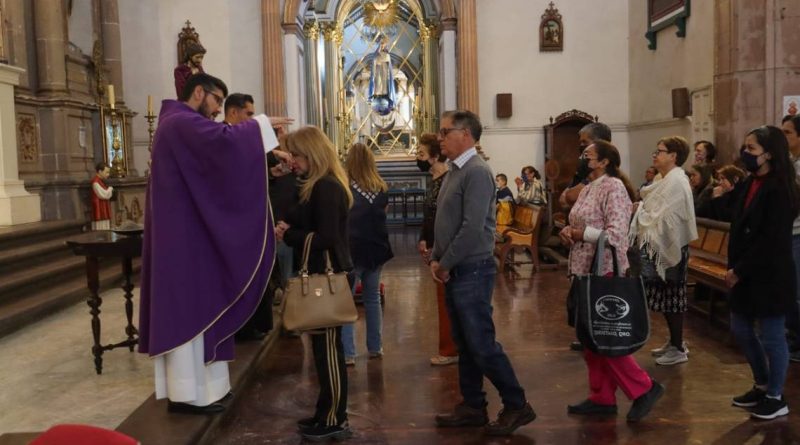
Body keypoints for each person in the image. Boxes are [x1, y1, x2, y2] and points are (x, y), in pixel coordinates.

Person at [138, 73, 281, 415]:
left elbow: (218, 158)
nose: (218, 109)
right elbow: (223, 142)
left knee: (202, 306)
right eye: (217, 100)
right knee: (190, 309)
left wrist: (257, 130)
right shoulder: (178, 123)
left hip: (189, 236)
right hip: (182, 244)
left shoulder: (179, 124)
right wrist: (260, 126)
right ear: (198, 92)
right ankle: (187, 394)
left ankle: (208, 389)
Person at [431, 110, 535, 436]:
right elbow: (447, 221)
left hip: (472, 269)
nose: (440, 137)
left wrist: (445, 262)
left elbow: (472, 228)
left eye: (445, 131)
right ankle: (474, 406)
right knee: (465, 341)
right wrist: (437, 256)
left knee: (481, 343)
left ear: (465, 134)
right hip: (458, 268)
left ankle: (517, 404)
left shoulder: (476, 171)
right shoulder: (455, 171)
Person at [559, 140, 665, 422]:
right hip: (583, 269)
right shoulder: (588, 187)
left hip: (604, 270)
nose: (583, 159)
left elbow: (616, 235)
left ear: (605, 161)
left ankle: (645, 388)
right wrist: (569, 232)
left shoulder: (613, 187)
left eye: (588, 156)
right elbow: (582, 223)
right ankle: (602, 396)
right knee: (590, 337)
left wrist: (582, 235)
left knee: (606, 337)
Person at [275, 126, 354, 441]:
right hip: (321, 274)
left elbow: (327, 237)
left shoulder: (327, 187)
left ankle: (335, 417)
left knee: (330, 352)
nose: (292, 159)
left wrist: (289, 235)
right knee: (322, 351)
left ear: (312, 154)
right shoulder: (314, 184)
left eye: (296, 154)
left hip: (328, 275)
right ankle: (325, 411)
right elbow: (297, 210)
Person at [727, 125, 799, 420]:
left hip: (769, 272)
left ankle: (775, 395)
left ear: (769, 154)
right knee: (741, 329)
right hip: (745, 271)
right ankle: (761, 382)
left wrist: (739, 270)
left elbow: (771, 238)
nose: (745, 153)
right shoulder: (749, 182)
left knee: (772, 336)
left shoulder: (781, 188)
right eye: (745, 147)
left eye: (752, 149)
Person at [221, 92, 293, 342]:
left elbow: (246, 170)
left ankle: (256, 325)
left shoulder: (235, 139)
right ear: (232, 113)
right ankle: (244, 328)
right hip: (234, 222)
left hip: (249, 218)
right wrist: (271, 148)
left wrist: (270, 172)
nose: (251, 119)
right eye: (249, 114)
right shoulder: (222, 137)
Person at [629, 136, 697, 366]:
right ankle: (674, 341)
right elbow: (654, 208)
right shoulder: (662, 178)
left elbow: (668, 216)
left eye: (659, 151)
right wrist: (643, 209)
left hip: (672, 246)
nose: (655, 155)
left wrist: (641, 211)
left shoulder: (678, 181)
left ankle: (678, 348)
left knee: (673, 298)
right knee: (665, 299)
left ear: (673, 156)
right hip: (658, 244)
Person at [342, 142, 393, 366]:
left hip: (353, 249)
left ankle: (348, 353)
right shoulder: (381, 187)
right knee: (372, 299)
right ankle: (375, 348)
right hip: (377, 248)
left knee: (346, 303)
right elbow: (383, 215)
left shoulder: (345, 188)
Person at [416, 133, 458, 366]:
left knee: (447, 300)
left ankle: (449, 350)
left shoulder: (448, 179)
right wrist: (424, 238)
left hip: (446, 247)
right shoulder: (434, 180)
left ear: (434, 156)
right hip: (435, 245)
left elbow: (444, 217)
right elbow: (429, 215)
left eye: (421, 154)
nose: (418, 158)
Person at [781, 114, 800, 363]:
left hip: (798, 232)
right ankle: (793, 334)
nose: (783, 136)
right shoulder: (790, 161)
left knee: (796, 289)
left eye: (788, 132)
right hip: (788, 232)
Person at [559, 122, 612, 209]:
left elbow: (570, 198)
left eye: (585, 142)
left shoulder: (610, 179)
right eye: (581, 142)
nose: (582, 146)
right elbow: (563, 201)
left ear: (599, 143)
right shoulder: (584, 171)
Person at [90, 163, 113, 230]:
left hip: (102, 206)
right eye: (106, 172)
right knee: (101, 228)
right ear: (100, 171)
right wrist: (110, 189)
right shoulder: (95, 182)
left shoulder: (100, 181)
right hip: (99, 207)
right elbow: (103, 194)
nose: (108, 175)